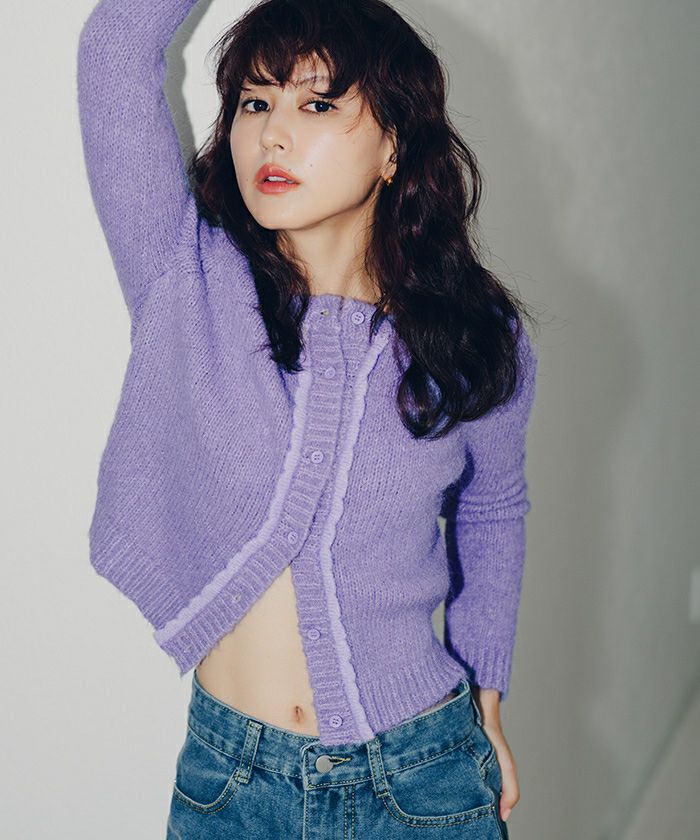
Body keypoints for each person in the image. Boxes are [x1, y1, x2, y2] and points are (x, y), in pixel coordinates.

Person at [76, 0, 539, 837]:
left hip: (424, 777)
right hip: (230, 784)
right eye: (255, 102)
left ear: (394, 146)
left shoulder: (475, 335)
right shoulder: (188, 280)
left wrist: (489, 701)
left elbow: (492, 508)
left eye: (317, 103)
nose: (273, 134)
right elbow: (114, 48)